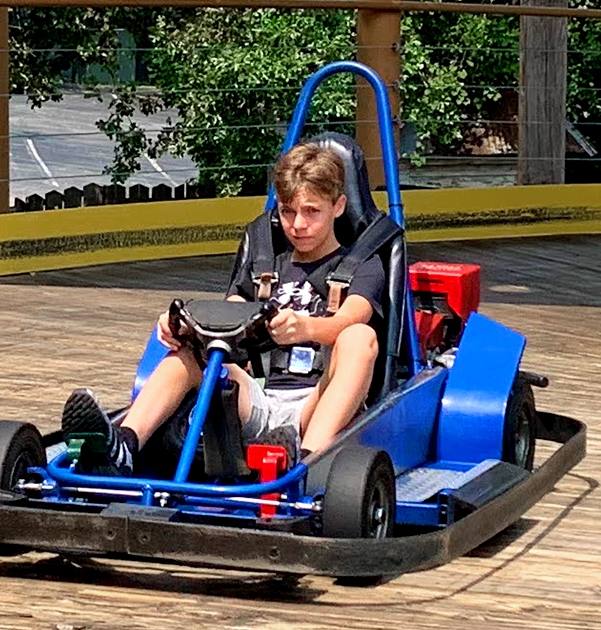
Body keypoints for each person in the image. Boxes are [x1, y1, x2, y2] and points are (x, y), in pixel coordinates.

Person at [67, 139, 390, 469]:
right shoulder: (266, 265)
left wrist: (306, 327)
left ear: (338, 207)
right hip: (260, 397)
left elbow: (350, 320)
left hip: (317, 403)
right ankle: (125, 445)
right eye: (288, 212)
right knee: (191, 353)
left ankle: (307, 461)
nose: (298, 225)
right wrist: (182, 325)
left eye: (311, 212)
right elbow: (228, 316)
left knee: (359, 338)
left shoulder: (361, 266)